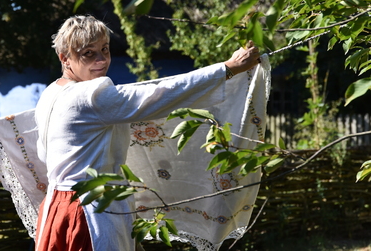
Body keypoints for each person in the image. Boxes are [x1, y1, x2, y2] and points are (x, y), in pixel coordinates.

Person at [34, 15, 260, 251]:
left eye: (105, 49)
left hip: (56, 208)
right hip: (89, 212)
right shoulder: (90, 95)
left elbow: (44, 153)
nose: (101, 60)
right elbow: (157, 95)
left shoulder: (50, 94)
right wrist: (227, 69)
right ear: (65, 58)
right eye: (88, 54)